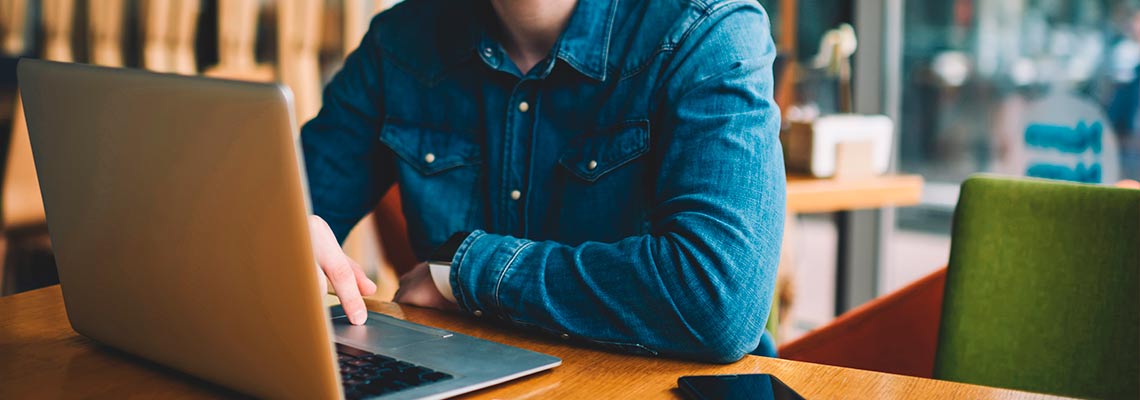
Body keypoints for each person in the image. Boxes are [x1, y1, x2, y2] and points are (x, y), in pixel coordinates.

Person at [301, 0, 785, 362]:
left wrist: (464, 273)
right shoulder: (400, 40)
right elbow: (289, 207)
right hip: (466, 379)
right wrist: (276, 234)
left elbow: (716, 302)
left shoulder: (707, 32)